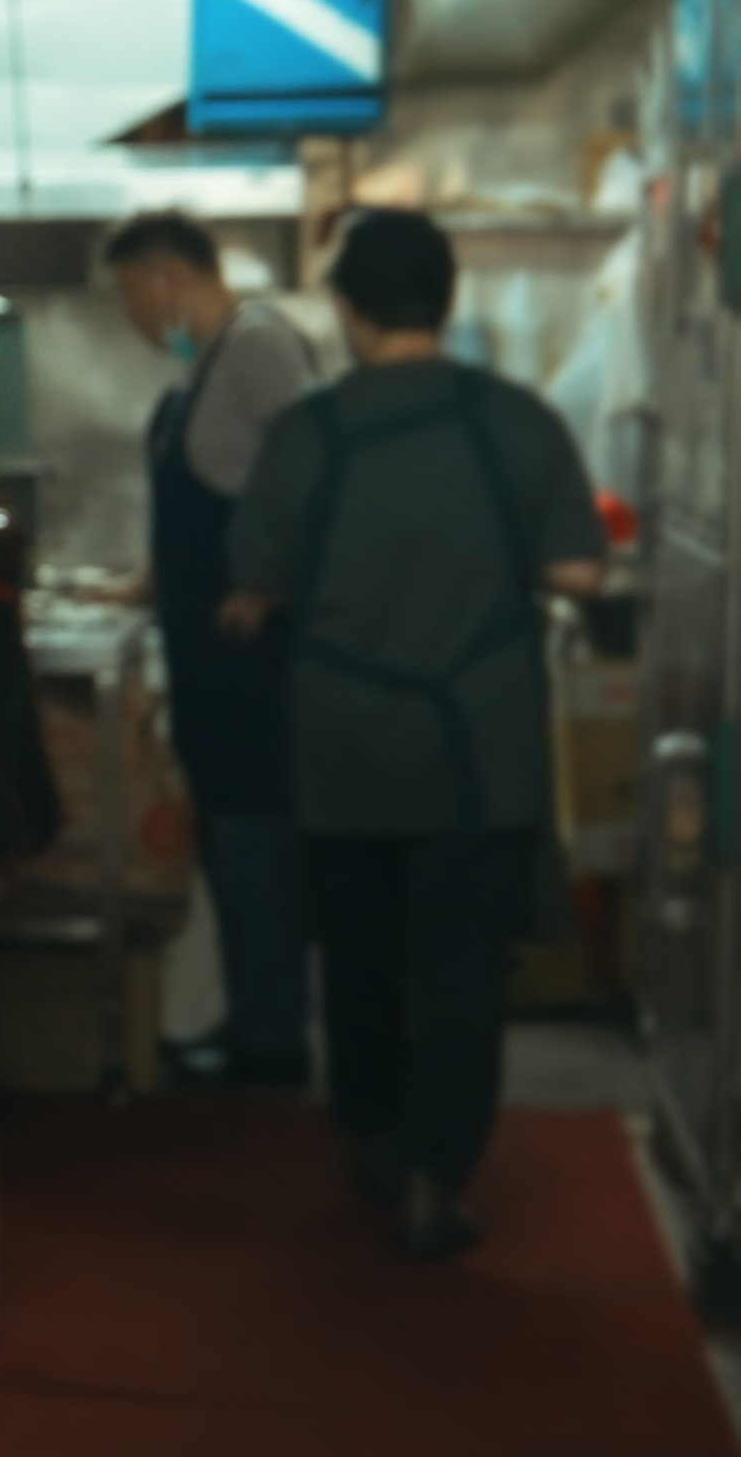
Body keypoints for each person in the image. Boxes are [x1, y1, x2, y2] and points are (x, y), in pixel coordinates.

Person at [223, 209, 607, 1258]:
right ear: (449, 302)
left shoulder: (311, 432)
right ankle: (439, 1173)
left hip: (346, 757)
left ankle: (378, 1139)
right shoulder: (517, 422)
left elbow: (251, 575)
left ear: (347, 309)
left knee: (357, 968)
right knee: (460, 978)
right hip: (478, 757)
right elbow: (580, 571)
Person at [103, 213, 321, 1090]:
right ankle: (253, 1025)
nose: (135, 320)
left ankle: (272, 1043)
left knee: (255, 849)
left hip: (254, 668)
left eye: (129, 300)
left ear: (165, 277)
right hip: (209, 660)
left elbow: (316, 476)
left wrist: (271, 584)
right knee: (234, 851)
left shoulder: (262, 349)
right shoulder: (208, 364)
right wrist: (143, 583)